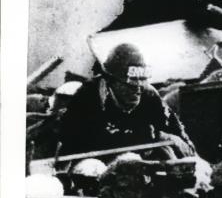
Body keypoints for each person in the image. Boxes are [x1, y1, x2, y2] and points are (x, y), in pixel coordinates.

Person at [57, 43, 195, 160]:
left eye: (141, 83)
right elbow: (72, 140)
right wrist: (147, 136)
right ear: (110, 81)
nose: (138, 90)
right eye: (130, 85)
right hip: (96, 161)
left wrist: (173, 142)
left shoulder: (149, 94)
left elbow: (181, 138)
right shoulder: (88, 96)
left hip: (140, 159)